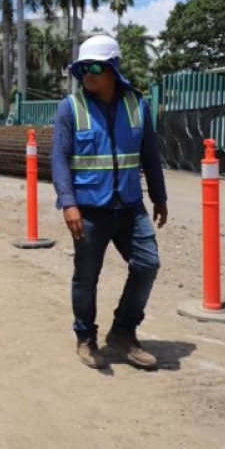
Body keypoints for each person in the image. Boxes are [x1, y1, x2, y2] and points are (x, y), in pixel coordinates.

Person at [51, 35, 168, 370]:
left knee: (147, 265)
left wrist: (159, 197)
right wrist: (68, 203)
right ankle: (86, 338)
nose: (87, 73)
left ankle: (123, 333)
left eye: (95, 67)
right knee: (87, 277)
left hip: (130, 206)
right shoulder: (71, 107)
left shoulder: (137, 104)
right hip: (88, 210)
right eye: (82, 68)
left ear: (114, 69)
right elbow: (59, 159)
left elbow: (150, 155)